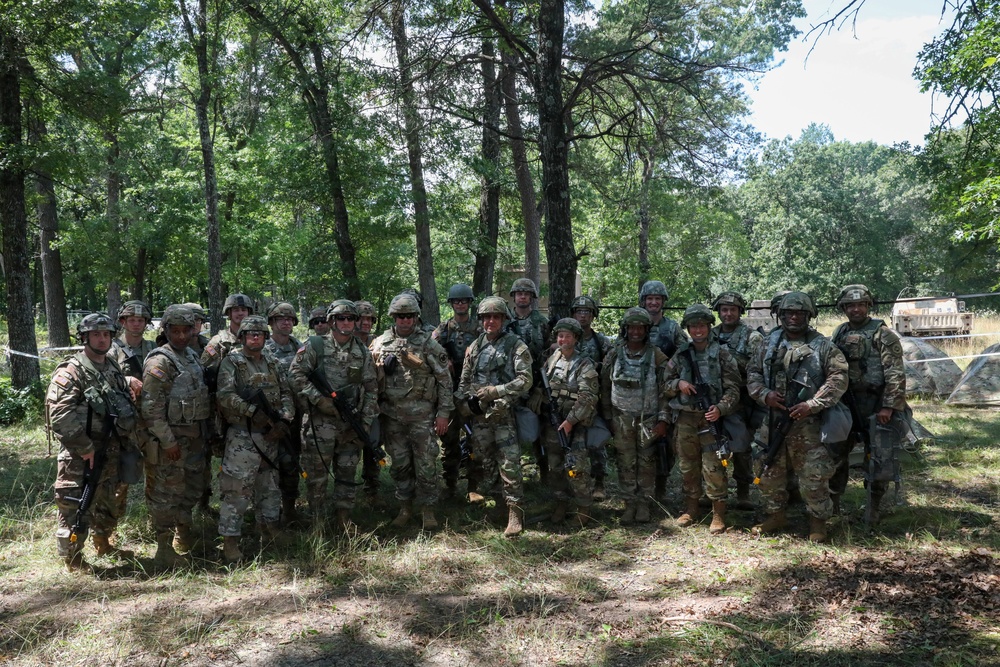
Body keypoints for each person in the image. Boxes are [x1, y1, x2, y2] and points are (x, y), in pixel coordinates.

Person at [747, 291, 848, 543]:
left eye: (800, 313)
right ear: (780, 315)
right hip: (773, 420)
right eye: (788, 313)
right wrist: (764, 394)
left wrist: (813, 404)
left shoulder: (823, 346)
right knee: (768, 470)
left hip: (809, 424)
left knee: (814, 474)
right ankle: (775, 515)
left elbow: (838, 377)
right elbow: (753, 373)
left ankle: (817, 522)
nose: (794, 317)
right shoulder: (768, 343)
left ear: (809, 315)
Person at [47, 313, 139, 572]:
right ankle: (73, 560)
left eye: (106, 334)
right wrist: (84, 447)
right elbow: (59, 415)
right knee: (76, 505)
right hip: (82, 453)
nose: (102, 339)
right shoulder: (72, 370)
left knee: (107, 500)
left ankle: (103, 542)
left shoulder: (110, 365)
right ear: (85, 337)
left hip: (111, 447)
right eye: (96, 334)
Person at [289, 300, 378, 530]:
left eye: (350, 318)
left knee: (347, 471)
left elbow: (371, 389)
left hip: (351, 423)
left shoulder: (362, 351)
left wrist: (365, 424)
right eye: (341, 318)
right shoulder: (315, 346)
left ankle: (343, 518)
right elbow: (295, 375)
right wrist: (319, 400)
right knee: (317, 474)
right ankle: (317, 520)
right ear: (331, 321)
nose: (346, 323)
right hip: (321, 424)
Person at [216, 316, 296, 563]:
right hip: (243, 436)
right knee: (236, 490)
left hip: (271, 436)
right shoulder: (232, 362)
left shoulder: (272, 362)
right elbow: (225, 395)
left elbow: (286, 392)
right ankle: (230, 541)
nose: (255, 338)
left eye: (260, 334)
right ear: (242, 337)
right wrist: (252, 412)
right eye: (250, 334)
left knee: (269, 486)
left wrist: (284, 419)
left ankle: (269, 529)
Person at [371, 293, 453, 530]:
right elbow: (370, 380)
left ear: (416, 317)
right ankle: (405, 507)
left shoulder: (429, 344)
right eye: (400, 316)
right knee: (400, 464)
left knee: (426, 463)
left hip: (422, 416)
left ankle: (427, 509)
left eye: (409, 316)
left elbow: (444, 381)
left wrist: (443, 414)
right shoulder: (380, 343)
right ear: (393, 317)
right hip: (392, 416)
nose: (405, 321)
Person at [141, 306, 212, 567]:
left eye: (186, 330)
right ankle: (163, 549)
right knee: (167, 494)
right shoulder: (160, 360)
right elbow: (151, 408)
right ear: (166, 330)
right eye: (175, 331)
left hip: (194, 438)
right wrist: (168, 441)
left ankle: (184, 536)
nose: (181, 336)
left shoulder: (191, 356)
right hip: (172, 442)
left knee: (191, 489)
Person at [457, 296, 533, 537]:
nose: (491, 321)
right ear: (481, 320)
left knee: (509, 463)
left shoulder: (515, 345)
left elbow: (525, 380)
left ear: (503, 319)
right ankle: (499, 505)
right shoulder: (475, 346)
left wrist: (496, 392)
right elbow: (464, 380)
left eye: (496, 317)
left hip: (504, 414)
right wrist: (465, 403)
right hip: (480, 417)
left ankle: (515, 512)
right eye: (487, 317)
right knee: (486, 461)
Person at [830, 284, 907, 522]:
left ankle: (874, 506)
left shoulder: (883, 334)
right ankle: (832, 505)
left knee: (879, 458)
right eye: (850, 305)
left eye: (860, 304)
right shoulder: (840, 332)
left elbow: (895, 373)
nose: (856, 310)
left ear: (868, 306)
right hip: (847, 404)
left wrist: (889, 406)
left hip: (876, 405)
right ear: (844, 308)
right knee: (835, 454)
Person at [664, 305, 741, 534]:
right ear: (688, 329)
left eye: (702, 326)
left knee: (714, 466)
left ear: (709, 327)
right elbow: (664, 383)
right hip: (686, 418)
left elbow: (734, 388)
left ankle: (718, 513)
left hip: (711, 419)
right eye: (693, 326)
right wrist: (678, 384)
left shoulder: (721, 353)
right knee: (688, 466)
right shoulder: (681, 354)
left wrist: (720, 408)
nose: (697, 330)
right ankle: (691, 509)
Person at [600, 307, 670, 524]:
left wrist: (663, 419)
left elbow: (665, 389)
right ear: (625, 329)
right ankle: (629, 503)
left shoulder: (656, 355)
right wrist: (609, 417)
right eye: (632, 327)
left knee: (647, 462)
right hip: (621, 418)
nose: (636, 331)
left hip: (647, 419)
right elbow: (604, 385)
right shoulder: (614, 353)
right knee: (625, 462)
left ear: (646, 330)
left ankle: (644, 504)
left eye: (640, 327)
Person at [541, 318, 599, 526]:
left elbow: (588, 396)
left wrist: (570, 421)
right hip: (553, 422)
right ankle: (561, 502)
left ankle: (584, 507)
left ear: (575, 338)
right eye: (560, 335)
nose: (563, 339)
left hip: (575, 425)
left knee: (576, 468)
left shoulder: (584, 363)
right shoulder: (553, 359)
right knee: (555, 466)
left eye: (567, 335)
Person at [711, 291, 764, 511]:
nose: (728, 313)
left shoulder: (752, 337)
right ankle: (713, 491)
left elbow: (758, 369)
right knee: (714, 446)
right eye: (724, 309)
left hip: (743, 400)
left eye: (733, 309)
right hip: (715, 399)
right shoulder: (709, 334)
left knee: (742, 447)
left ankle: (743, 493)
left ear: (740, 312)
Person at [107, 301, 156, 541]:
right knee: (119, 478)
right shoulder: (111, 349)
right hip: (124, 425)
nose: (136, 323)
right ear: (123, 322)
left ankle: (159, 526)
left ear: (147, 323)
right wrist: (124, 379)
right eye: (131, 319)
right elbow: (98, 378)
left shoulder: (155, 348)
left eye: (141, 320)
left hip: (152, 422)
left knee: (157, 476)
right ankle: (110, 531)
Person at [432, 283, 483, 500]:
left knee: (475, 439)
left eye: (463, 301)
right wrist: (445, 361)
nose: (460, 304)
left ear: (470, 303)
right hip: (450, 391)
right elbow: (431, 351)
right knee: (449, 441)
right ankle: (450, 484)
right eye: (456, 301)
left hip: (472, 391)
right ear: (452, 304)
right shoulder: (443, 329)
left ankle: (474, 486)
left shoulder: (479, 328)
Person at [638, 280, 686, 499]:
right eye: (650, 299)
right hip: (639, 389)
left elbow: (685, 351)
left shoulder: (672, 327)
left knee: (664, 438)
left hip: (665, 388)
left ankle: (661, 485)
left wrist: (671, 365)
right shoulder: (635, 322)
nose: (654, 302)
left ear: (663, 302)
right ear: (644, 301)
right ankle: (640, 487)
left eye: (658, 299)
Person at [568, 295, 613, 501]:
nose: (583, 316)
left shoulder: (600, 340)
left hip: (595, 398)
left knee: (596, 441)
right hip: (570, 399)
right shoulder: (567, 338)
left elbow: (611, 365)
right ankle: (572, 480)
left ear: (593, 315)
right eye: (579, 311)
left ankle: (599, 481)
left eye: (587, 312)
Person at [506, 278, 550, 480]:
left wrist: (541, 389)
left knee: (540, 432)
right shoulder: (505, 322)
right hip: (509, 384)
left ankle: (544, 471)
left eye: (527, 293)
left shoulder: (542, 323)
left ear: (532, 298)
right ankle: (512, 474)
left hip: (535, 386)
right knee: (508, 430)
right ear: (514, 297)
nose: (523, 296)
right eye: (519, 293)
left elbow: (550, 357)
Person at [264, 301, 305, 524]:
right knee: (267, 465)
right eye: (281, 319)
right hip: (268, 419)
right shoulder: (262, 348)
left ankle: (289, 509)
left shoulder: (299, 346)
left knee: (291, 462)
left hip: (295, 417)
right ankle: (267, 514)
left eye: (290, 319)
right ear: (272, 323)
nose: (286, 322)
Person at [354, 299, 384, 505]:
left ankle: (371, 489)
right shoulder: (345, 341)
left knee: (373, 447)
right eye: (361, 318)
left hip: (373, 405)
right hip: (350, 405)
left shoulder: (379, 342)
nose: (366, 323)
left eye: (369, 319)